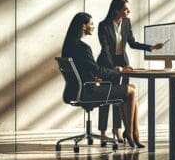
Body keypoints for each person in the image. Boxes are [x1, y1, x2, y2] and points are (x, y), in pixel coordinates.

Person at [61, 12, 143, 148]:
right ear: (83, 26)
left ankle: (131, 132)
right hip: (89, 92)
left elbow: (85, 70)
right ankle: (131, 133)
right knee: (132, 91)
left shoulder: (68, 46)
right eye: (91, 24)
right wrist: (118, 71)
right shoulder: (83, 48)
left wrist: (95, 77)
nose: (93, 27)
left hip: (75, 91)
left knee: (132, 88)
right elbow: (97, 70)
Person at [96, 0, 163, 146]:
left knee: (121, 98)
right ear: (116, 10)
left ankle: (117, 129)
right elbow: (105, 50)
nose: (128, 11)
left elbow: (132, 43)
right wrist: (114, 68)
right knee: (106, 99)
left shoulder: (126, 22)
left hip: (123, 63)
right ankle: (102, 132)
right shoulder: (103, 25)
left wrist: (151, 47)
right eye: (125, 9)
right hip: (107, 63)